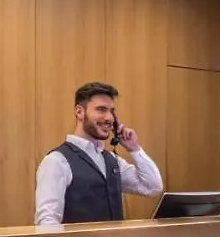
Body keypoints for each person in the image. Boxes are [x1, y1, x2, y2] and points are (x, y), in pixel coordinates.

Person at [35, 82, 164, 225]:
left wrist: (134, 149)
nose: (110, 118)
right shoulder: (56, 161)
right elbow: (47, 221)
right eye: (101, 110)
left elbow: (152, 187)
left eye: (112, 111)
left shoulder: (112, 160)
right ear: (79, 112)